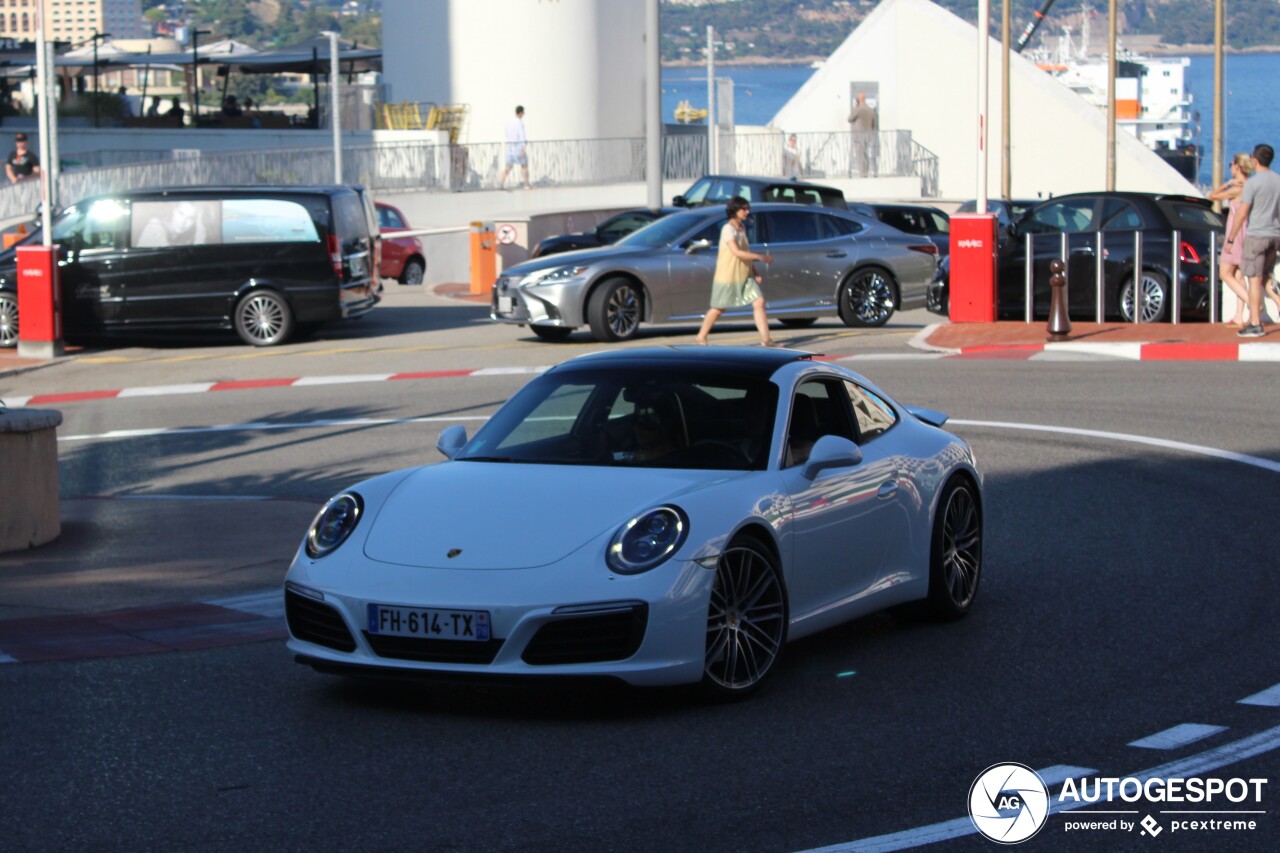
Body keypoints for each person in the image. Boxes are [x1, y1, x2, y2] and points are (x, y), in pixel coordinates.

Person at [694, 196, 776, 347]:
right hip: (729, 276)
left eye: (747, 208)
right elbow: (736, 252)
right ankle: (701, 336)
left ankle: (766, 340)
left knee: (759, 302)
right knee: (718, 308)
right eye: (743, 209)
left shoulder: (742, 228)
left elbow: (745, 251)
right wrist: (760, 257)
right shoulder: (728, 229)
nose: (747, 211)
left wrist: (755, 270)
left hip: (744, 273)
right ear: (734, 210)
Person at [1226, 143, 1280, 338]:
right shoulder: (1278, 181)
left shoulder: (1252, 184)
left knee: (1254, 279)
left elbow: (1242, 213)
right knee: (1266, 274)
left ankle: (1255, 322)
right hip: (1275, 236)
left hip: (1256, 235)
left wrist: (1231, 238)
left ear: (1255, 160)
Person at [1208, 153, 1258, 326]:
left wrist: (1228, 183)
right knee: (1238, 275)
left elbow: (1212, 196)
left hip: (1234, 235)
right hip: (1246, 233)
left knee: (1225, 273)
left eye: (1231, 164)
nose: (1230, 167)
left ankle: (1253, 305)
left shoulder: (1237, 188)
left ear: (1237, 167)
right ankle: (1239, 315)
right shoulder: (1250, 186)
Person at [134, 201, 209, 248]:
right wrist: (200, 237)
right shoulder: (154, 228)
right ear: (174, 210)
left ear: (195, 222)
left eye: (190, 218)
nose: (183, 222)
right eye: (181, 213)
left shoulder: (178, 237)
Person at [499, 105, 532, 189]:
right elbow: (521, 135)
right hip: (518, 147)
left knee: (508, 167)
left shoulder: (509, 122)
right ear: (520, 113)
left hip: (510, 148)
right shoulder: (520, 123)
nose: (523, 114)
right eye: (523, 113)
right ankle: (526, 184)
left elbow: (506, 132)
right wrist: (523, 148)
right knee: (524, 166)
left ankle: (501, 183)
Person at [847, 91, 877, 177]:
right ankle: (866, 172)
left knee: (860, 155)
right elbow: (874, 124)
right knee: (866, 155)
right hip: (868, 136)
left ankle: (862, 173)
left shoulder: (858, 109)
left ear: (858, 99)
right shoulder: (870, 110)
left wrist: (855, 107)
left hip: (858, 136)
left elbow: (849, 119)